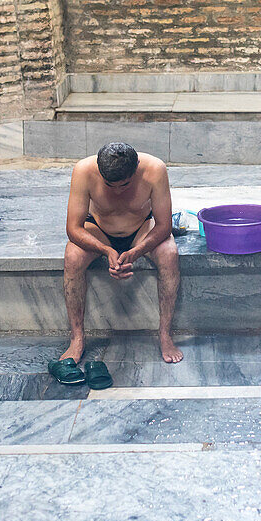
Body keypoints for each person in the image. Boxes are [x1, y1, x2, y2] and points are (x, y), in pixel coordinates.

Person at [62, 143, 183, 363]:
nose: (118, 191)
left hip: (141, 229)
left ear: (136, 168)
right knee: (72, 256)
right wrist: (106, 250)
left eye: (125, 184)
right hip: (99, 230)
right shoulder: (84, 170)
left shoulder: (155, 169)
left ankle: (165, 334)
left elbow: (164, 226)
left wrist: (136, 251)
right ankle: (77, 337)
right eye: (110, 185)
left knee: (169, 253)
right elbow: (73, 229)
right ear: (100, 171)